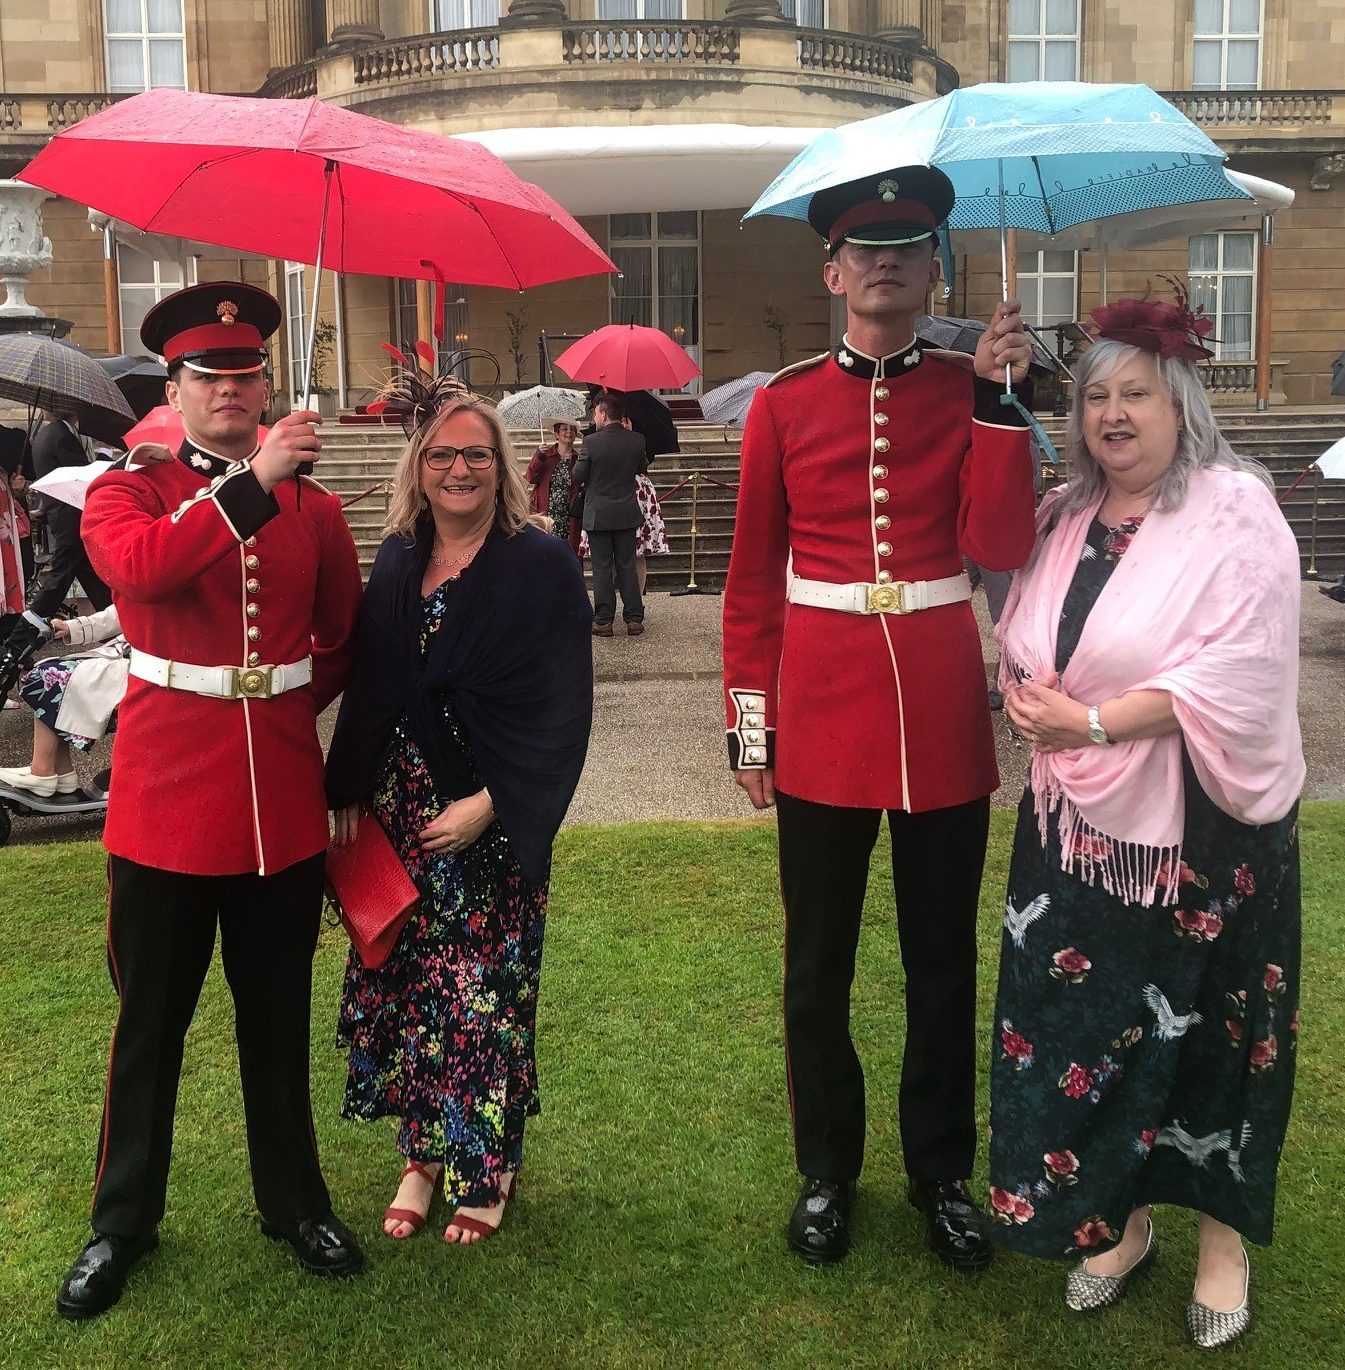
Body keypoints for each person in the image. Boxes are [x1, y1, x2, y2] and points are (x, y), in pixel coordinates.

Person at [721, 166, 1037, 1270]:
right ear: (832, 269)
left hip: (940, 709)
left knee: (941, 961)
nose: (885, 262)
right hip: (818, 708)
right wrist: (750, 724)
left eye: (907, 244)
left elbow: (999, 545)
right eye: (865, 247)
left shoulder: (970, 386)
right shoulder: (786, 399)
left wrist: (1003, 401)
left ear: (933, 265)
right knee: (818, 963)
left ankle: (941, 1169)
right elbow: (753, 577)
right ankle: (826, 1170)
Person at [988, 292, 1303, 1350]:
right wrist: (1033, 691)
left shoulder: (1234, 510)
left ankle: (1222, 1241)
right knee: (1087, 1025)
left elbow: (1243, 673)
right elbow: (1024, 624)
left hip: (1205, 836)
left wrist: (1088, 717)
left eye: (1135, 393)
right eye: (1093, 397)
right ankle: (1116, 1224)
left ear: (1179, 401)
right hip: (1076, 826)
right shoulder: (1067, 515)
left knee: (1214, 1040)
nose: (1112, 415)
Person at [56, 282, 366, 1321]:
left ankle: (294, 1202)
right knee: (151, 1023)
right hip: (162, 805)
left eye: (248, 376)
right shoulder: (127, 493)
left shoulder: (315, 510)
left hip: (274, 803)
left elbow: (338, 637)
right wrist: (255, 483)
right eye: (211, 377)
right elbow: (142, 574)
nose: (233, 392)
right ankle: (121, 1222)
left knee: (274, 1021)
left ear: (267, 384)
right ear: (177, 389)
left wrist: (279, 703)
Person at [324, 378, 592, 1246]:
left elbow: (563, 708)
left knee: (480, 995)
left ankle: (487, 1165)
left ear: (502, 465)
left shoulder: (541, 563)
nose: (459, 469)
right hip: (400, 813)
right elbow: (374, 678)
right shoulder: (400, 554)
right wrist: (347, 783)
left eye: (476, 453)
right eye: (441, 455)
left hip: (489, 818)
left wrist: (492, 805)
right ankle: (422, 1155)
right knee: (407, 988)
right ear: (418, 466)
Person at [0, 603, 125, 795]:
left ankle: (42, 772)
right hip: (134, 656)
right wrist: (72, 627)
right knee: (51, 669)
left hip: (150, 665)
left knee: (51, 675)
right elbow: (126, 610)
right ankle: (61, 769)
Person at [574, 392, 647, 636]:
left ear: (603, 414)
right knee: (627, 564)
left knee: (601, 567)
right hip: (626, 511)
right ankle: (634, 618)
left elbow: (578, 476)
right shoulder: (637, 439)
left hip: (599, 513)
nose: (594, 418)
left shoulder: (591, 442)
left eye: (595, 413)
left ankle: (604, 620)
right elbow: (641, 469)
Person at [27, 409, 112, 617]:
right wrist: (106, 454)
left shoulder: (49, 433)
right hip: (69, 517)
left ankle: (116, 629)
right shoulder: (62, 435)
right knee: (60, 576)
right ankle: (25, 633)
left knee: (90, 577)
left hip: (62, 515)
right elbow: (84, 477)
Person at [525, 418, 582, 556]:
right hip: (548, 512)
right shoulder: (546, 455)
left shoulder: (578, 458)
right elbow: (531, 477)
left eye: (572, 429)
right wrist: (538, 456)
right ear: (556, 434)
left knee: (568, 552)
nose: (568, 432)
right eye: (564, 429)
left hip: (569, 516)